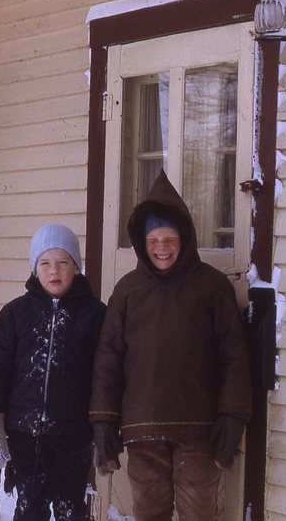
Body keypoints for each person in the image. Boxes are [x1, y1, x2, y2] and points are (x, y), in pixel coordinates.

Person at [89, 171, 252, 521]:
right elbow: (108, 359)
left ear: (185, 238)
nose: (161, 247)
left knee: (198, 512)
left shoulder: (211, 287)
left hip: (199, 429)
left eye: (169, 238)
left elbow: (234, 356)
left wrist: (232, 415)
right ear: (141, 242)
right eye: (153, 239)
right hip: (142, 429)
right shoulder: (127, 291)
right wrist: (103, 420)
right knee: (149, 512)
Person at [0, 224, 107, 521]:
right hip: (25, 435)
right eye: (45, 263)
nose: (54, 271)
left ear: (76, 267)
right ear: (34, 269)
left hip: (73, 434)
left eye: (63, 262)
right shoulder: (15, 314)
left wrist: (103, 429)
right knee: (29, 509)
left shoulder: (95, 315)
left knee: (70, 509)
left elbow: (105, 377)